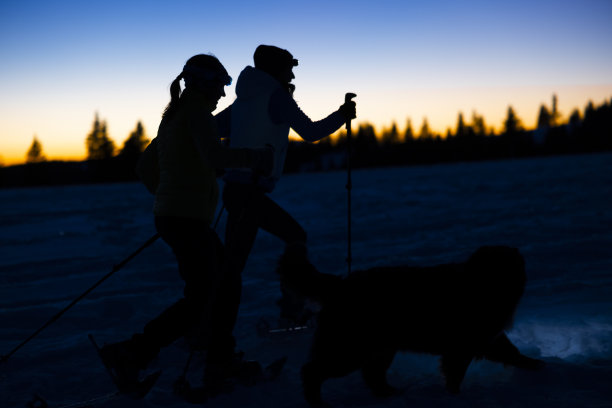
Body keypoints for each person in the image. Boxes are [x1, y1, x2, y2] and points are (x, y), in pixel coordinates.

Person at [99, 54, 273, 389]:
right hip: (185, 219)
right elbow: (216, 158)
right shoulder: (196, 113)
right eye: (220, 86)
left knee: (223, 285)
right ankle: (133, 353)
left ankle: (218, 359)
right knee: (206, 294)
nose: (223, 95)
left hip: (179, 217)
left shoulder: (176, 115)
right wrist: (257, 158)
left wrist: (169, 200)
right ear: (203, 83)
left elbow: (145, 168)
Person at [214, 45, 356, 335]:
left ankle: (204, 328)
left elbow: (212, 128)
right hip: (249, 192)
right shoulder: (276, 96)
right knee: (292, 238)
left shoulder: (246, 98)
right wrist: (343, 115)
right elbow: (312, 132)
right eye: (289, 67)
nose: (292, 73)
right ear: (276, 69)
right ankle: (290, 312)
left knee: (231, 266)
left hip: (236, 191)